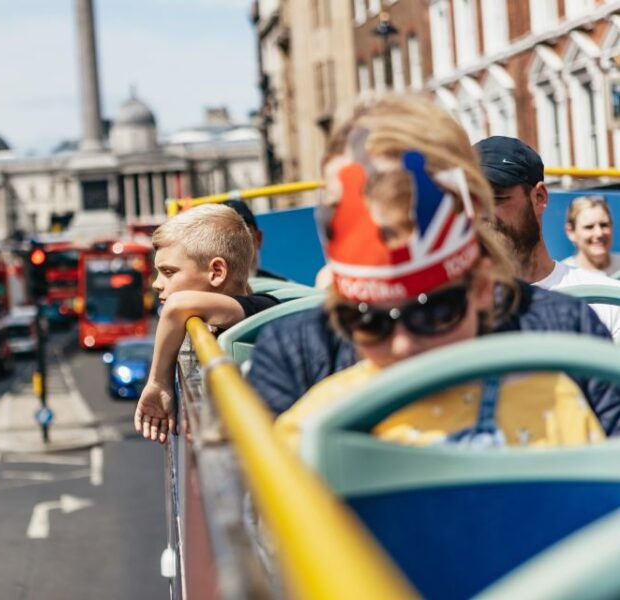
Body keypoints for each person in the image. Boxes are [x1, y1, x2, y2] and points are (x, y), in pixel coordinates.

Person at [246, 96, 620, 436]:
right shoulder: (294, 355)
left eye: (437, 311)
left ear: (481, 285)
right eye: (367, 319)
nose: (404, 344)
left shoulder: (565, 332)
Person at [134, 203, 280, 443]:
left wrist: (158, 383)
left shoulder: (263, 308)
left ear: (216, 272)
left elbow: (175, 306)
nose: (156, 284)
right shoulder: (215, 316)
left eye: (169, 272)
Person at [474, 136, 620, 341]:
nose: (482, 213)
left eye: (497, 197)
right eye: (472, 199)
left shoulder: (608, 299)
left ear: (539, 197)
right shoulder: (453, 315)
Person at [563, 195, 620, 277]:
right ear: (571, 232)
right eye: (589, 227)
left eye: (604, 225)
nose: (599, 233)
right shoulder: (564, 276)